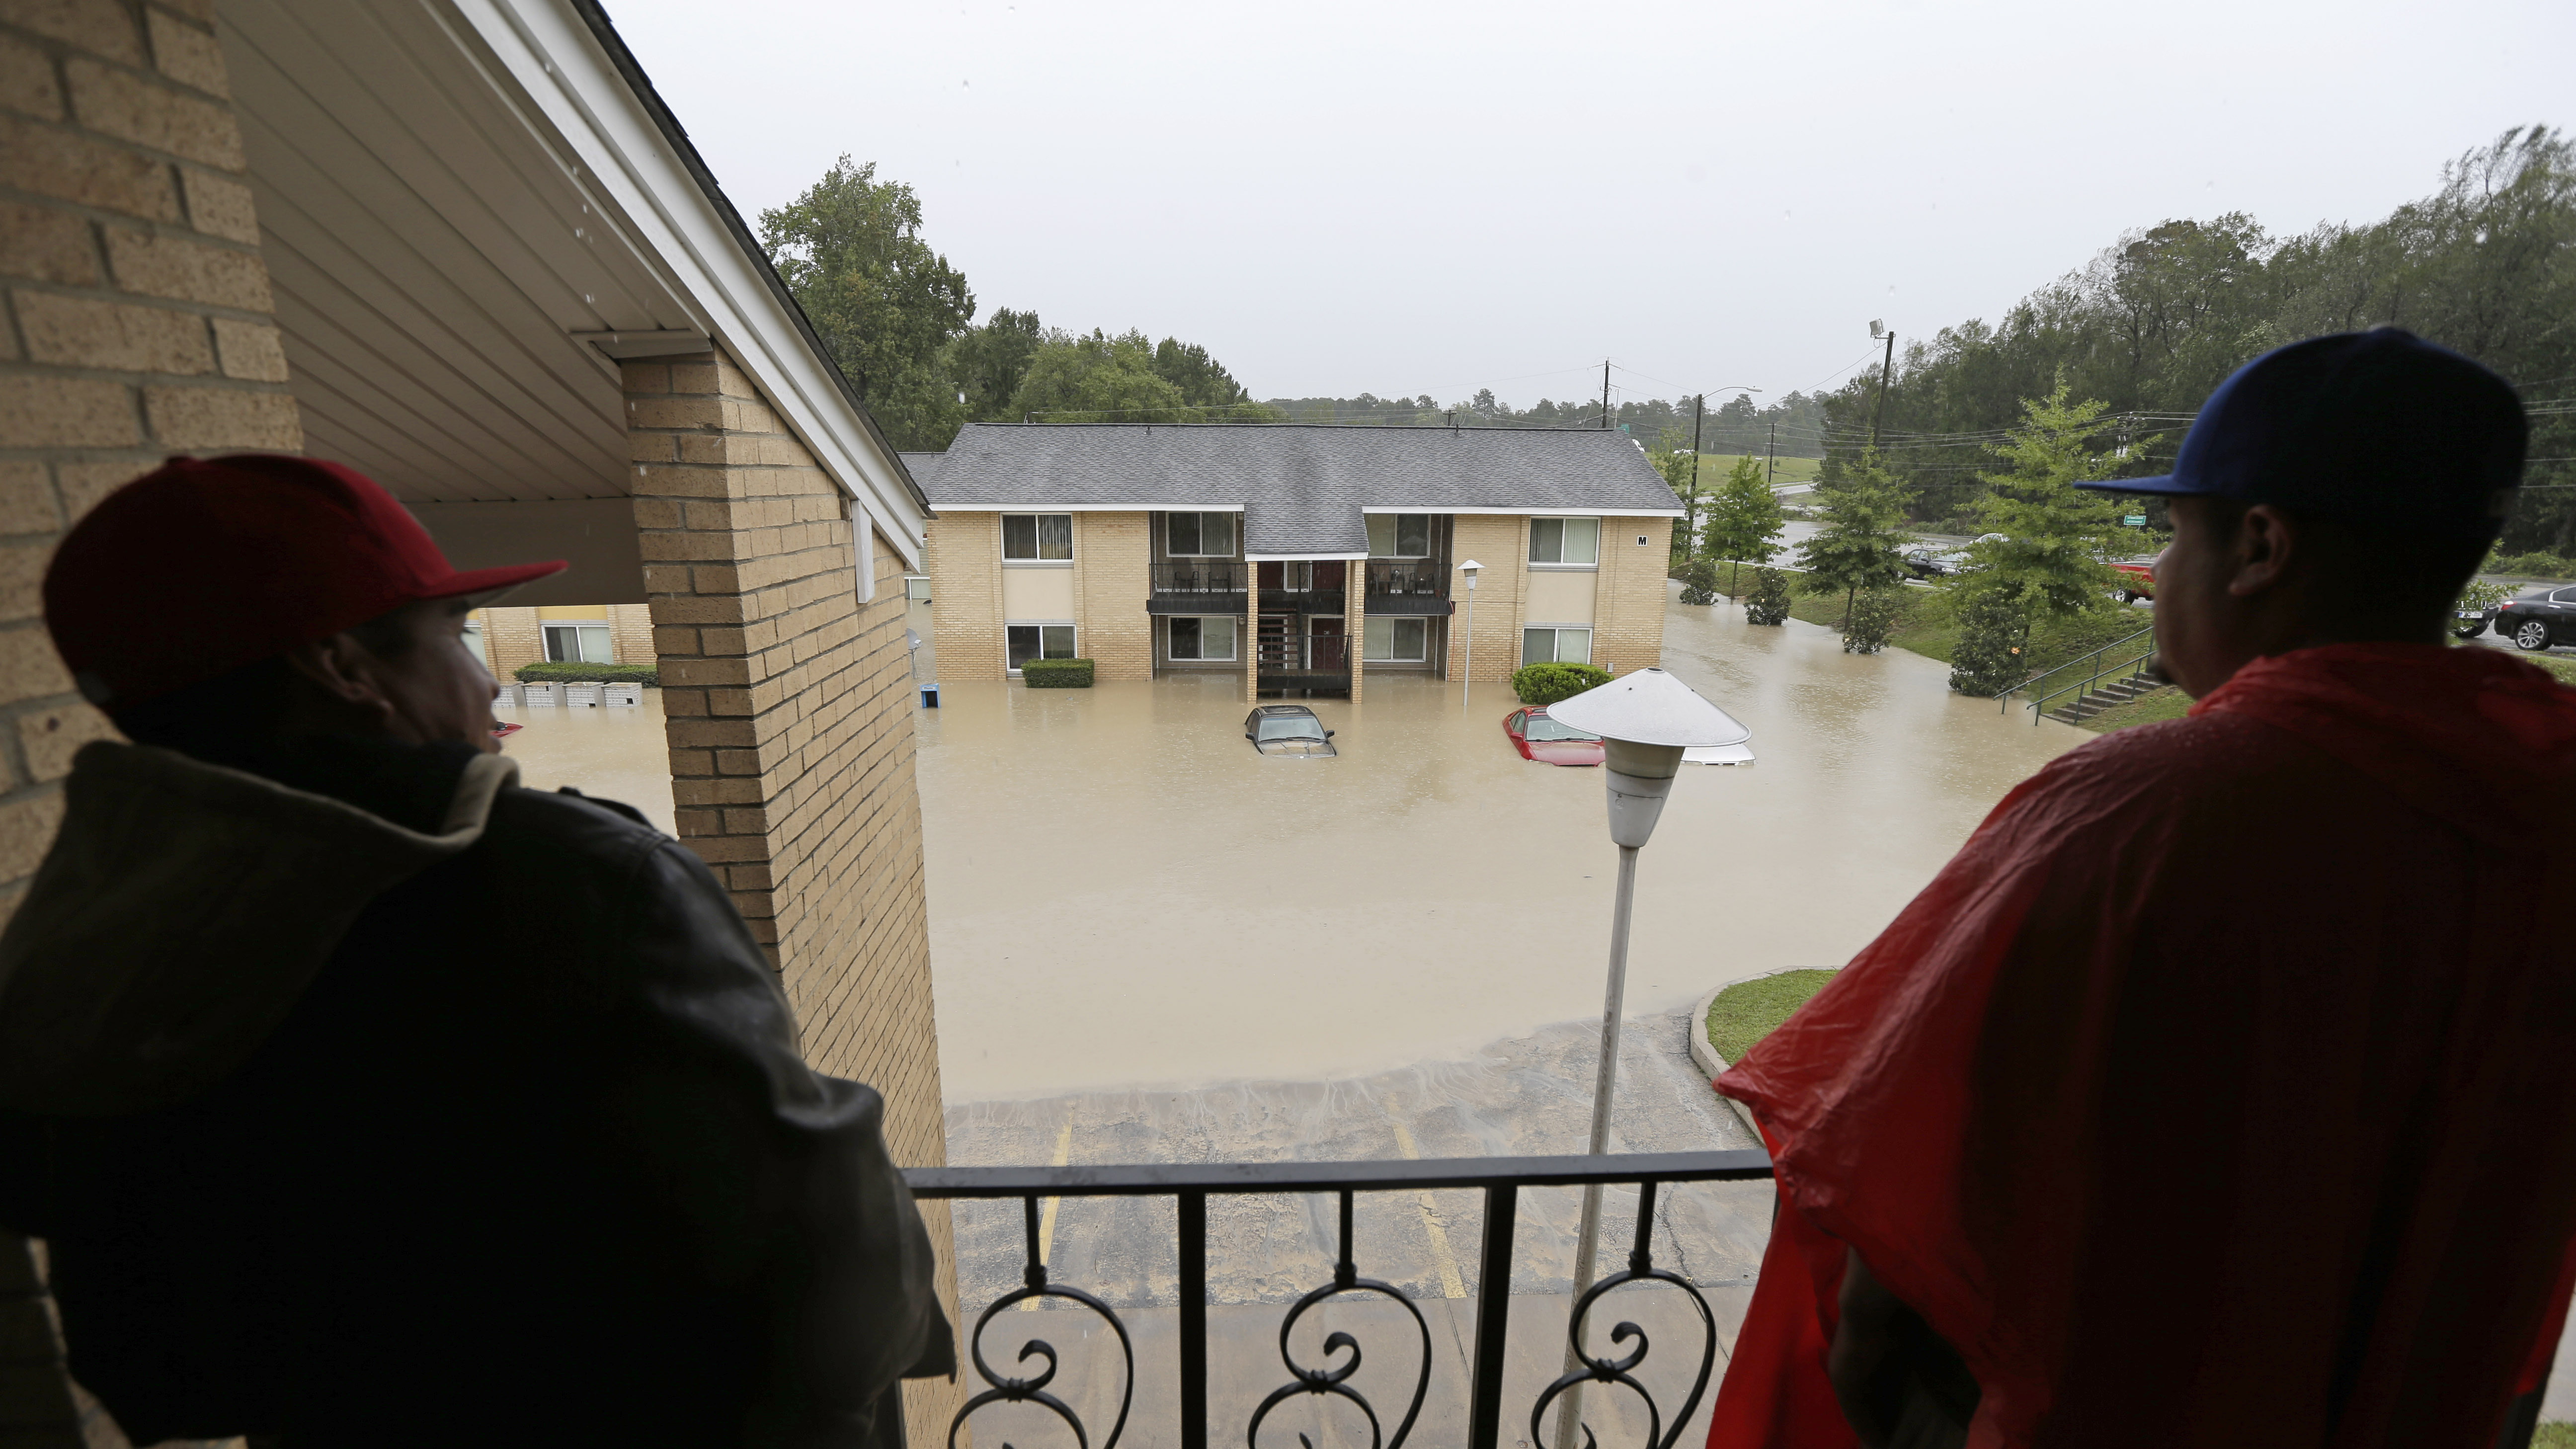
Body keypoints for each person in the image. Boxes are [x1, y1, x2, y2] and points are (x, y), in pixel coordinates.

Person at [1702, 330, 2576, 1449]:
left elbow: (1886, 1213)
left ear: (2259, 546)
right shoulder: (2543, 811)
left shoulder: (2138, 816)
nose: (2158, 573)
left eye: (2172, 535)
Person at [0, 456, 953, 1447]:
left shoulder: (84, 952)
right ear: (343, 668)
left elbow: (148, 1367)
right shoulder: (583, 882)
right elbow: (839, 1274)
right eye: (454, 635)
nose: (489, 679)